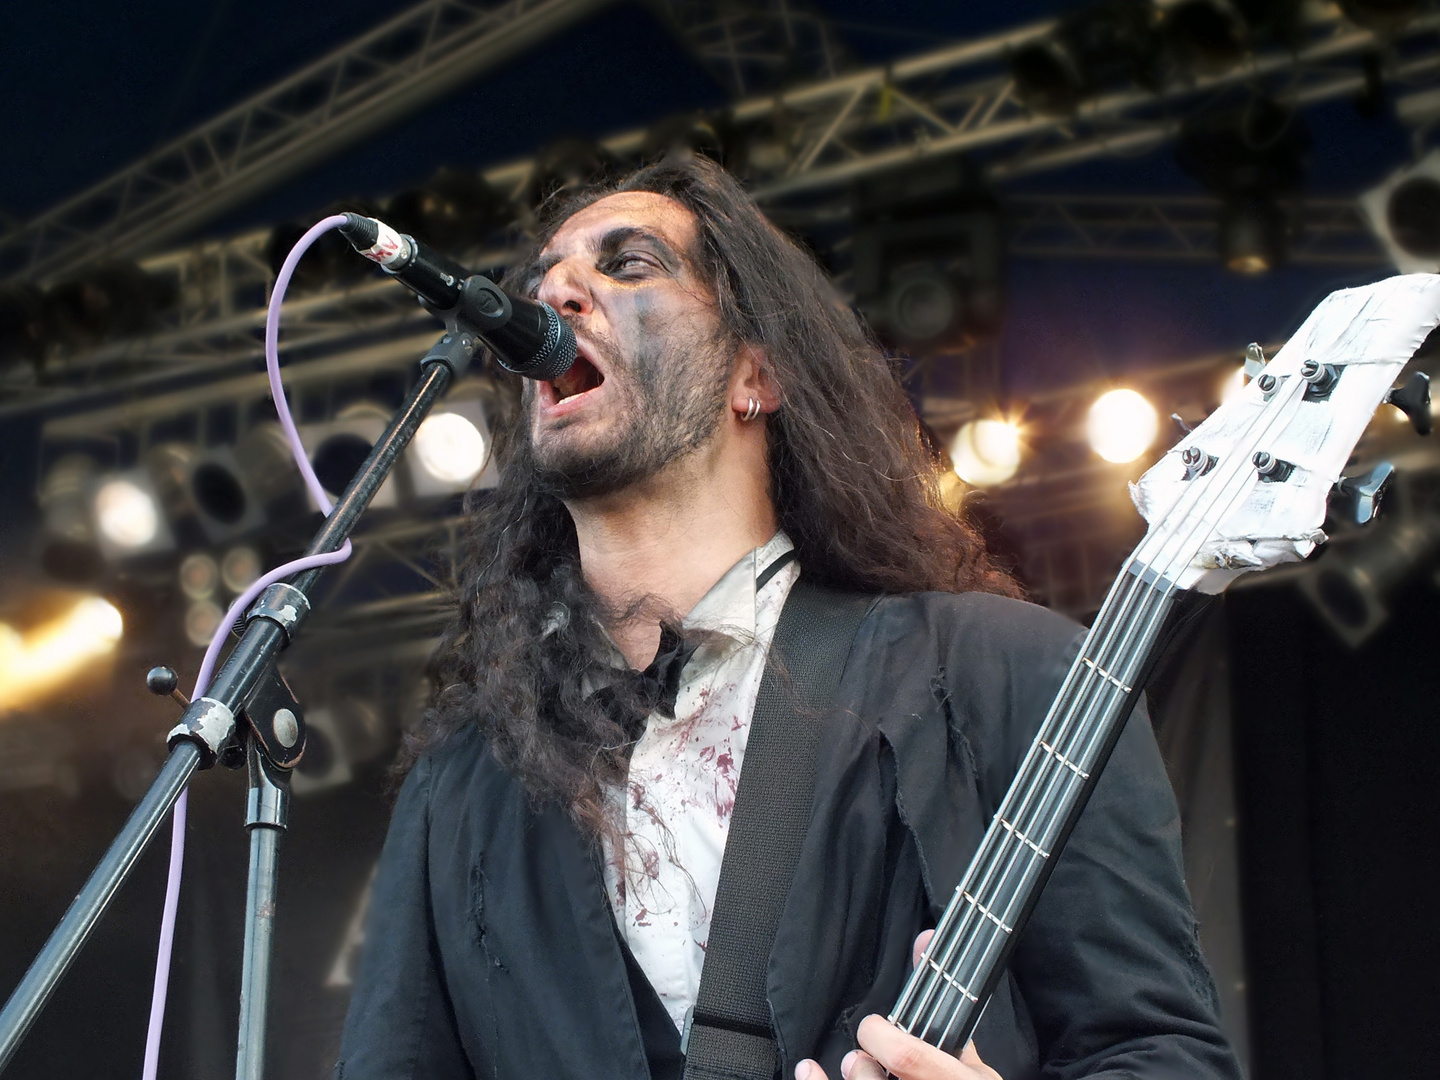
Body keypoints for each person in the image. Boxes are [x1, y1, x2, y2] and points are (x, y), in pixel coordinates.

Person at [334, 156, 1242, 1080]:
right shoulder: (466, 787)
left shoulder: (1001, 670)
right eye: (545, 277)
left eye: (629, 264)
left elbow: (1160, 1051)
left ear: (754, 375)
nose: (558, 288)